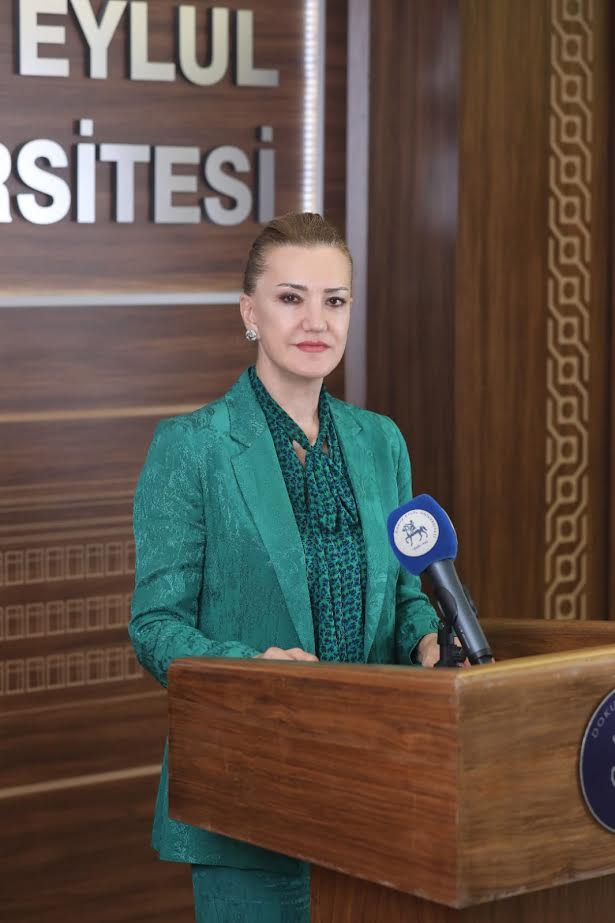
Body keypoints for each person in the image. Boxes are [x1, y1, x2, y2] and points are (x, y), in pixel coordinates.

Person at [129, 211, 443, 922]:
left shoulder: (380, 441)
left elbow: (404, 594)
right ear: (250, 312)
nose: (315, 321)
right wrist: (253, 669)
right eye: (290, 297)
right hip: (250, 790)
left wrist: (427, 636)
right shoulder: (192, 447)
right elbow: (155, 626)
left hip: (378, 789)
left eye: (335, 300)